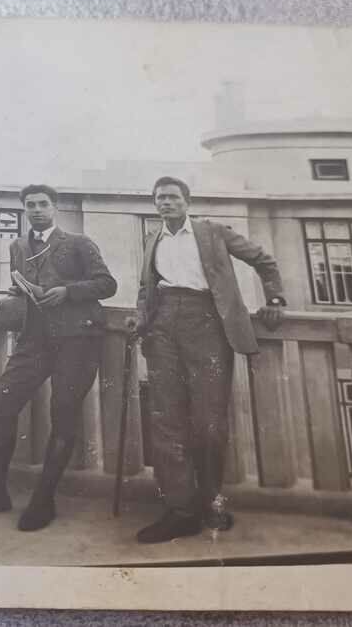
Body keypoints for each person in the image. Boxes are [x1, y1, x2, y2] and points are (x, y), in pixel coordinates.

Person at [0, 184, 117, 531]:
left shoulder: (79, 243)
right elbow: (21, 285)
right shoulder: (18, 245)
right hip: (34, 340)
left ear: (55, 207)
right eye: (30, 205)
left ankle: (43, 500)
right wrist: (17, 291)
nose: (36, 210)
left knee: (63, 415)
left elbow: (107, 284)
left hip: (78, 340)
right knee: (1, 404)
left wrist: (66, 292)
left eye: (43, 204)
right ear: (24, 209)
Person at [127, 176, 287, 544]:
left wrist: (275, 299)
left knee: (209, 421)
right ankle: (180, 510)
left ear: (186, 201)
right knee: (166, 419)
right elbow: (146, 288)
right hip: (163, 325)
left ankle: (213, 503)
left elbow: (263, 260)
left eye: (172, 197)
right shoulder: (154, 240)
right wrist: (140, 315)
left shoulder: (213, 232)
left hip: (207, 323)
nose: (166, 203)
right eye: (160, 198)